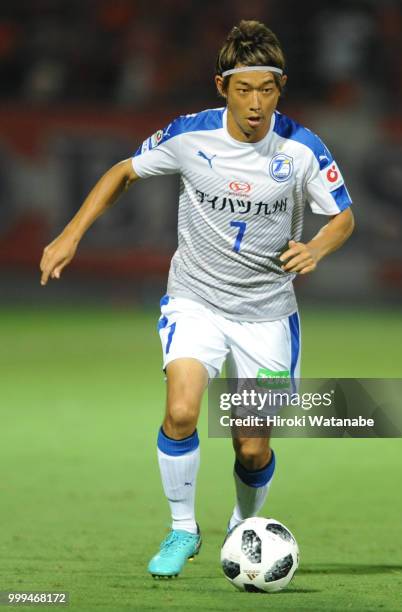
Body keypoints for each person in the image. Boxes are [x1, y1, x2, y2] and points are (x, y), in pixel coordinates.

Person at [40, 20, 354, 578]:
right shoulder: (190, 136)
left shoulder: (303, 149)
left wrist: (318, 248)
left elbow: (344, 216)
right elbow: (122, 172)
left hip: (267, 315)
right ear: (221, 86)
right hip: (196, 300)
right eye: (244, 89)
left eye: (267, 89)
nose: (256, 104)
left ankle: (243, 526)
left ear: (281, 88)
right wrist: (70, 234)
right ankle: (182, 528)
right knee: (182, 410)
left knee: (252, 448)